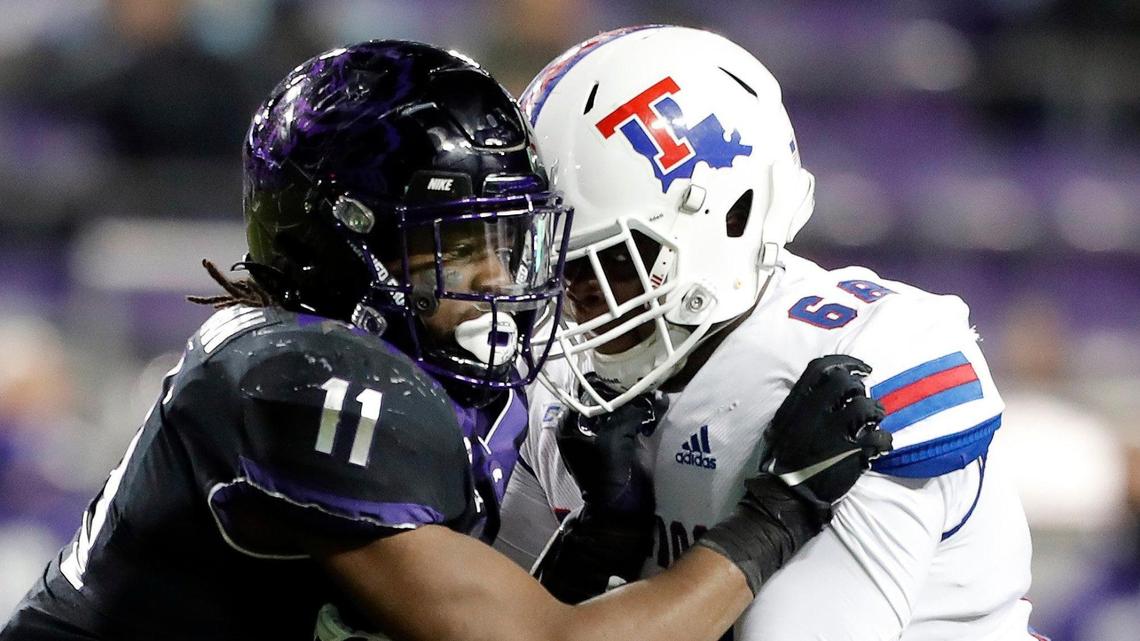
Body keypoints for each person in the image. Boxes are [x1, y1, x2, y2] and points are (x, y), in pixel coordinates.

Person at [0, 41, 891, 641]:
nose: (502, 282)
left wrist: (599, 545)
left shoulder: (373, 375)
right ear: (340, 243)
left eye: (511, 242)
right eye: (461, 246)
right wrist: (775, 517)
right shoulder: (299, 379)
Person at [496, 25, 1047, 640]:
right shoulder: (568, 388)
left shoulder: (857, 359)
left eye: (611, 261)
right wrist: (591, 554)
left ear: (729, 218)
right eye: (555, 264)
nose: (575, 296)